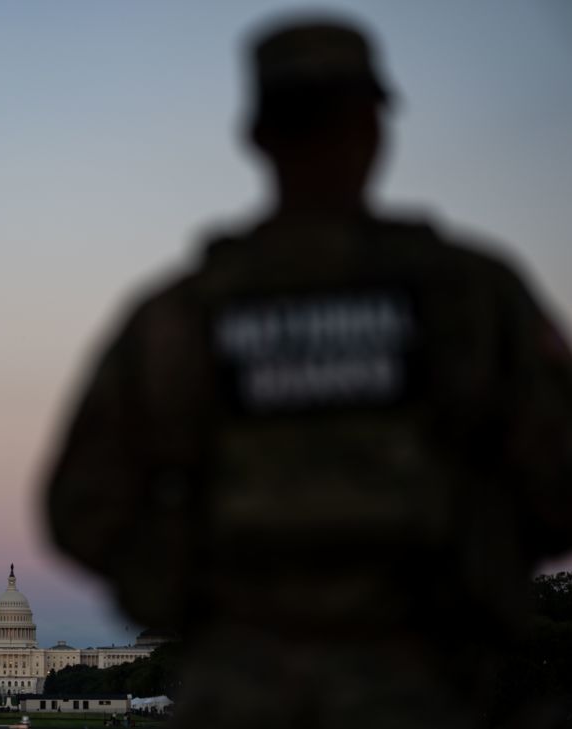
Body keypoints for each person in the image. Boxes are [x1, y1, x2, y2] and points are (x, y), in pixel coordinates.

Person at [45, 14, 572, 729]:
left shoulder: (179, 314)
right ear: (376, 126)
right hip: (431, 677)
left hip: (237, 676)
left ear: (256, 135)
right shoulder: (473, 295)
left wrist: (190, 592)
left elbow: (80, 506)